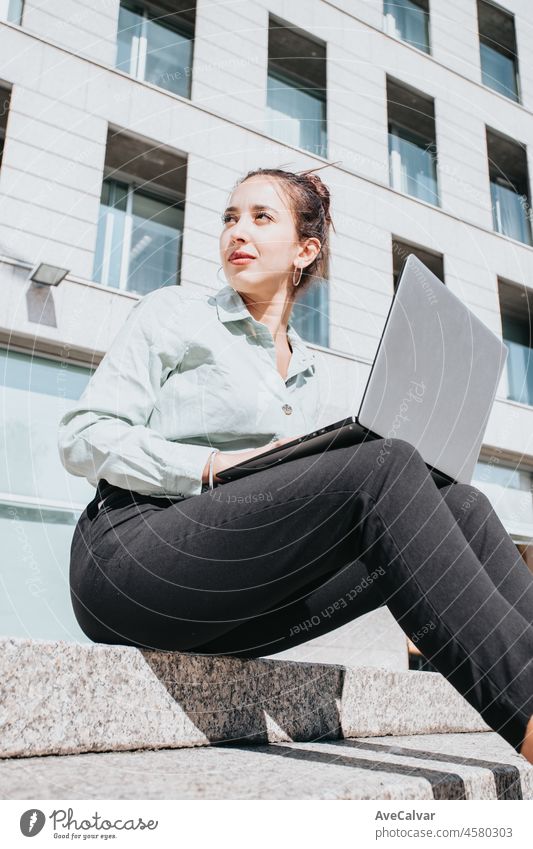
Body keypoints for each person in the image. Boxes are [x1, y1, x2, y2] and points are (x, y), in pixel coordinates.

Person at [58, 166, 533, 763]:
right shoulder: (176, 313)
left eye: (261, 217)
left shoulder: (307, 373)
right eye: (231, 217)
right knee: (383, 467)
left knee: (463, 504)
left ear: (306, 250)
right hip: (129, 559)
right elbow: (83, 436)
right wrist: (210, 465)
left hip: (230, 604)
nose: (237, 231)